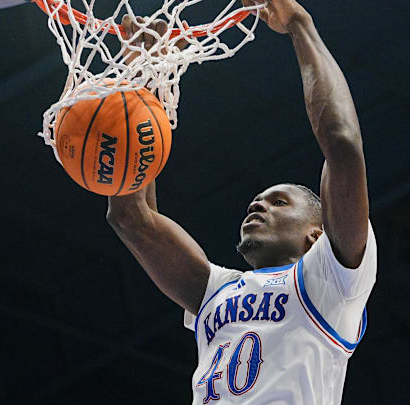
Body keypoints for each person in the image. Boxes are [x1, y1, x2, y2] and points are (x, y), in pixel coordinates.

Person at [107, 0, 376, 403]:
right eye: (258, 202)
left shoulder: (332, 282)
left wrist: (300, 25)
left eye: (279, 202)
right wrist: (143, 80)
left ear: (316, 235)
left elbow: (342, 144)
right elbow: (130, 216)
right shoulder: (216, 289)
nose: (258, 206)